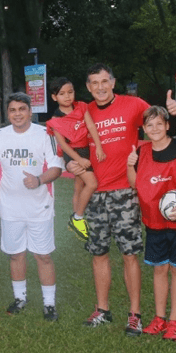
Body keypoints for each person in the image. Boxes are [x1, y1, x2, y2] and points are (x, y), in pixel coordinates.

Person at [68, 63, 176, 336]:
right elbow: (74, 146)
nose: (100, 87)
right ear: (88, 87)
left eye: (104, 81)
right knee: (99, 254)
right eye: (94, 82)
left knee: (130, 255)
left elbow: (159, 126)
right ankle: (102, 310)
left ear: (113, 82)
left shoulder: (134, 105)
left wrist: (172, 114)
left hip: (124, 193)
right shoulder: (83, 112)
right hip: (94, 194)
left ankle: (135, 315)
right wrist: (72, 165)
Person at [127, 106, 176, 341]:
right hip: (154, 222)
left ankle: (175, 321)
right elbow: (135, 183)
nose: (154, 128)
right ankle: (159, 318)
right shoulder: (142, 151)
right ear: (144, 129)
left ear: (168, 125)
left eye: (159, 123)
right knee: (159, 269)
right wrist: (130, 164)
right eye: (149, 125)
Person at [0, 93, 63, 320]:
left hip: (39, 207)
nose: (18, 114)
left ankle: (49, 303)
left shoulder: (44, 134)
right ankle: (20, 297)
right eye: (13, 110)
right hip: (10, 207)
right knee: (15, 255)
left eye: (22, 109)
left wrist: (39, 180)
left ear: (31, 111)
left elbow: (56, 168)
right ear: (8, 113)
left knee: (42, 255)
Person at [46, 77, 106, 240]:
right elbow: (64, 146)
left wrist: (99, 147)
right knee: (92, 183)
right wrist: (79, 160)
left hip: (86, 149)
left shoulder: (81, 107)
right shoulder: (55, 120)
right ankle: (77, 218)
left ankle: (77, 217)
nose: (67, 96)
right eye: (62, 94)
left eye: (70, 92)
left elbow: (91, 126)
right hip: (72, 154)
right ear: (54, 97)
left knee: (79, 185)